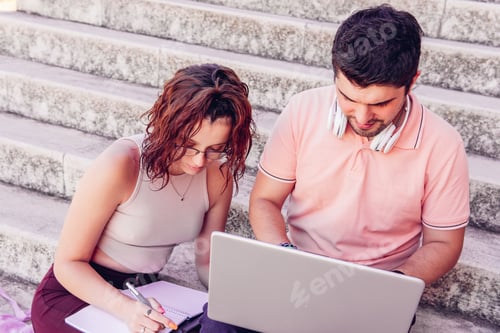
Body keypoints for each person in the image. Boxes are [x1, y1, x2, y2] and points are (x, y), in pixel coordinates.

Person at [248, 4, 470, 330]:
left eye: (380, 103)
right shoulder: (302, 110)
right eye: (347, 97)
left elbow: (445, 244)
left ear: (412, 82)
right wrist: (285, 256)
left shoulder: (444, 144)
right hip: (297, 270)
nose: (362, 117)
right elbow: (265, 200)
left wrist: (392, 284)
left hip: (380, 288)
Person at [30, 63, 255, 333]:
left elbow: (207, 259)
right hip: (77, 293)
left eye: (215, 149)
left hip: (147, 291)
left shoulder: (218, 176)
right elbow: (68, 264)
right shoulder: (123, 164)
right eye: (188, 145)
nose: (199, 161)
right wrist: (125, 308)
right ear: (166, 126)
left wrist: (234, 300)